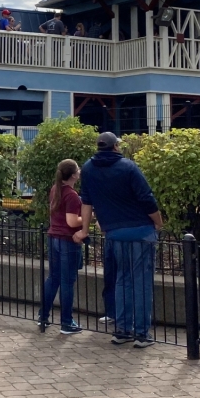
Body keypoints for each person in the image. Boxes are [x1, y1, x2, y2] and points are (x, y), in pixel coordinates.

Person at [74, 132, 163, 348]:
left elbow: (86, 203)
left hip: (113, 233)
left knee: (122, 279)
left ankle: (122, 330)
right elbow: (146, 197)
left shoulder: (88, 168)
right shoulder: (128, 167)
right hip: (140, 231)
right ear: (115, 146)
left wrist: (84, 230)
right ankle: (141, 334)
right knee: (141, 282)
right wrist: (158, 222)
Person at [38, 160, 84, 334]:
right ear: (73, 175)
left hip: (53, 237)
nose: (79, 171)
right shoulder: (71, 195)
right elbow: (72, 221)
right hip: (67, 240)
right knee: (67, 282)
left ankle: (43, 316)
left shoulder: (55, 189)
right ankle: (66, 322)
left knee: (53, 278)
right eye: (78, 169)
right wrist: (89, 217)